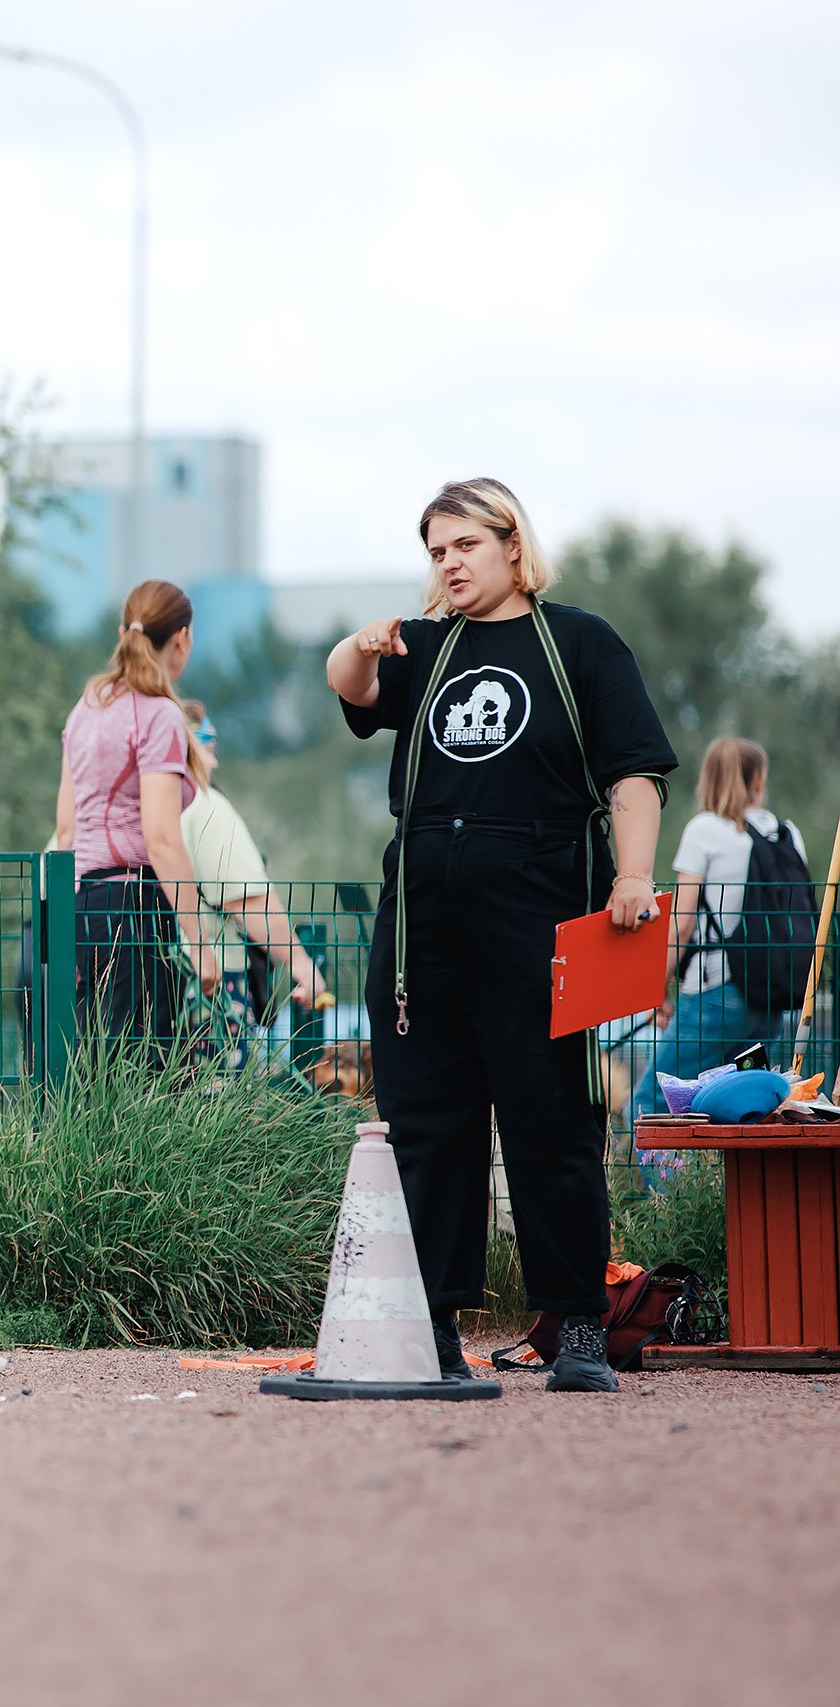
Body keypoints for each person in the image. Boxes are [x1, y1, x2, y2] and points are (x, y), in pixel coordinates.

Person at [329, 477, 676, 1394]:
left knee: (550, 1115)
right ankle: (434, 1329)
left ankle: (580, 1328)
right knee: (429, 1124)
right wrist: (359, 647)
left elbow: (635, 772)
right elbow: (351, 689)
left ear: (512, 544)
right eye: (436, 551)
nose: (448, 564)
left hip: (539, 910)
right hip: (423, 923)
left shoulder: (582, 643)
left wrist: (633, 878)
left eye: (464, 546)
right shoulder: (426, 648)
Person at [54, 579, 222, 1048]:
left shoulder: (85, 709)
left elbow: (65, 830)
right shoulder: (159, 716)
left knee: (92, 1066)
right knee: (145, 1070)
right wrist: (201, 944)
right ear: (182, 638)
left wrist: (64, 922)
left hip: (84, 903)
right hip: (135, 910)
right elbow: (162, 838)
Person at [631, 737, 804, 1117]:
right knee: (744, 1106)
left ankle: (664, 1180)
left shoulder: (704, 830)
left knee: (650, 1107)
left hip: (714, 995)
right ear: (758, 779)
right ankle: (730, 1179)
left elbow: (684, 921)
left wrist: (655, 988)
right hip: (769, 998)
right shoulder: (786, 832)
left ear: (708, 778)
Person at [178, 700, 329, 1041]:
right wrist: (301, 965)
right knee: (213, 1091)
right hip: (210, 981)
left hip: (144, 973)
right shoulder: (206, 806)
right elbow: (246, 899)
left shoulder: (139, 805)